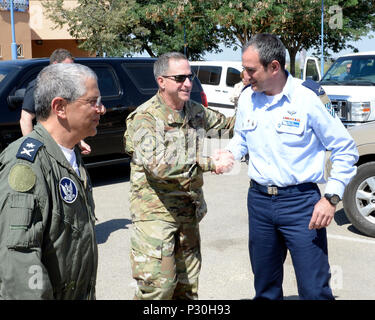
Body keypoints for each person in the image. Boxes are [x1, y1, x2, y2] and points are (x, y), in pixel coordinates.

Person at [221, 33, 358, 300]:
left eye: (250, 70)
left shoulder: (310, 97)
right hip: (259, 202)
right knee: (265, 288)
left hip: (301, 205)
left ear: (274, 67)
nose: (245, 77)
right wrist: (229, 154)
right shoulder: (249, 98)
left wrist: (331, 199)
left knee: (314, 288)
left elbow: (345, 148)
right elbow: (242, 138)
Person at [124, 52, 234, 300]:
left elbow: (229, 124)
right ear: (161, 81)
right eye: (180, 78)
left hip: (188, 213)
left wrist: (257, 99)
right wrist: (210, 163)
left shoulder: (195, 111)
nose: (187, 83)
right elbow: (159, 165)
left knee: (187, 289)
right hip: (155, 216)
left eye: (190, 76)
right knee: (158, 290)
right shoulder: (145, 118)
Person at [0, 63, 106, 299]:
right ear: (60, 107)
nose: (102, 109)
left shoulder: (69, 153)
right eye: (93, 102)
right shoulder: (27, 165)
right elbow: (19, 260)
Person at [20, 48, 91, 154]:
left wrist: (80, 142)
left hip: (66, 146)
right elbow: (25, 119)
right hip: (47, 146)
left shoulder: (67, 87)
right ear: (55, 65)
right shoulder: (38, 85)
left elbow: (69, 117)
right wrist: (32, 149)